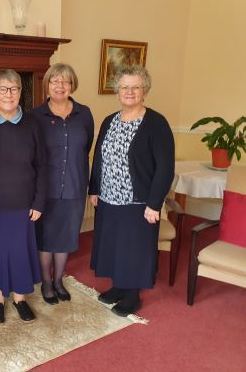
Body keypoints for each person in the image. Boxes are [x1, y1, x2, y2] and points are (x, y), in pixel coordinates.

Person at [88, 65, 174, 317]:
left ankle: (132, 295)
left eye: (135, 87)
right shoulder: (109, 121)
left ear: (144, 91)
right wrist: (94, 188)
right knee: (114, 245)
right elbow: (99, 158)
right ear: (117, 91)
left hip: (138, 201)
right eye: (124, 87)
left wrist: (154, 203)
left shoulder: (156, 123)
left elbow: (165, 168)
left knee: (134, 248)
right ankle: (119, 286)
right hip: (108, 198)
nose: (129, 92)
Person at [0, 69, 46, 324]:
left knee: (19, 251)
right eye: (3, 89)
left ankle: (19, 298)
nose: (9, 94)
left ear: (20, 92)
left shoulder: (32, 124)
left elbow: (42, 165)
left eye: (14, 89)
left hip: (24, 203)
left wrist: (39, 201)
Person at [32, 63, 94, 305]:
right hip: (44, 190)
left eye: (65, 81)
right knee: (45, 237)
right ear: (47, 84)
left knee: (66, 236)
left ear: (72, 85)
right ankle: (46, 282)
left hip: (74, 185)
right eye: (55, 80)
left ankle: (59, 280)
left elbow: (87, 147)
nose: (60, 85)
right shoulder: (36, 116)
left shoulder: (84, 113)